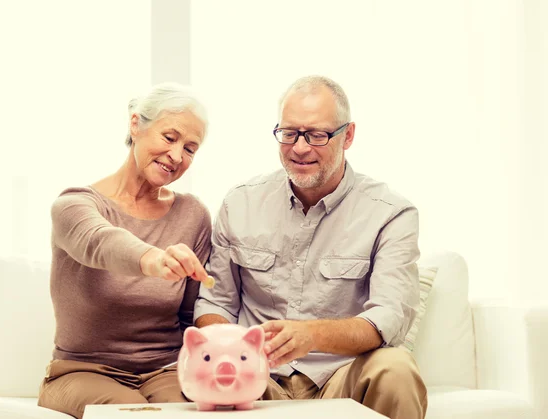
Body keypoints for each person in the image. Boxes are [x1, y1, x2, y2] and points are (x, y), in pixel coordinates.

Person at [194, 75, 427, 419]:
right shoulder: (240, 202)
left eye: (317, 135)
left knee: (397, 367)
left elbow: (388, 317)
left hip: (342, 374)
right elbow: (216, 302)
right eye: (289, 133)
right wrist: (235, 352)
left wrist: (312, 335)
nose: (300, 148)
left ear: (347, 135)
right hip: (256, 378)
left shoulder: (391, 212)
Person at [38, 82, 213, 419]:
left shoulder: (193, 215)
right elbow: (99, 241)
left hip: (165, 371)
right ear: (136, 125)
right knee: (129, 414)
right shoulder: (74, 204)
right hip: (81, 372)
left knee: (194, 413)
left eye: (190, 148)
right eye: (170, 137)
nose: (177, 156)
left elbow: (191, 315)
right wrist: (153, 258)